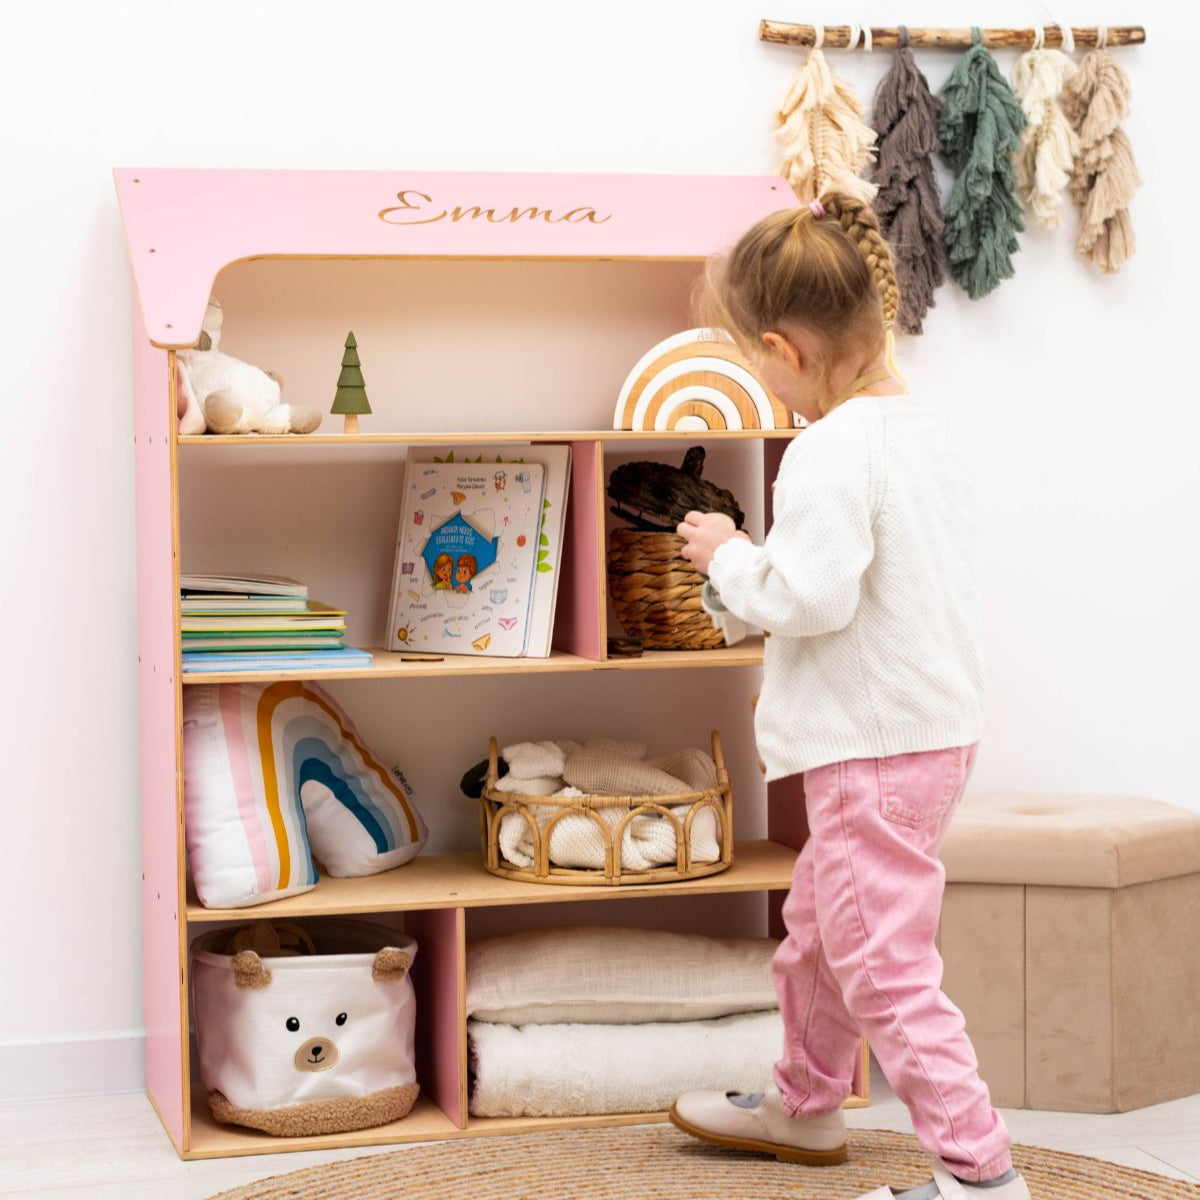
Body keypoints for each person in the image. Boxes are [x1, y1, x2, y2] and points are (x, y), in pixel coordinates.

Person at [671, 194, 1025, 1200]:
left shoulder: (829, 447)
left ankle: (980, 1174)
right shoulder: (919, 431)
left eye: (749, 361)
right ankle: (807, 1101)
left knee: (881, 962)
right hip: (927, 736)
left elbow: (807, 597)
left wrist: (728, 553)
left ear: (784, 349)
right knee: (825, 933)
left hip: (873, 753)